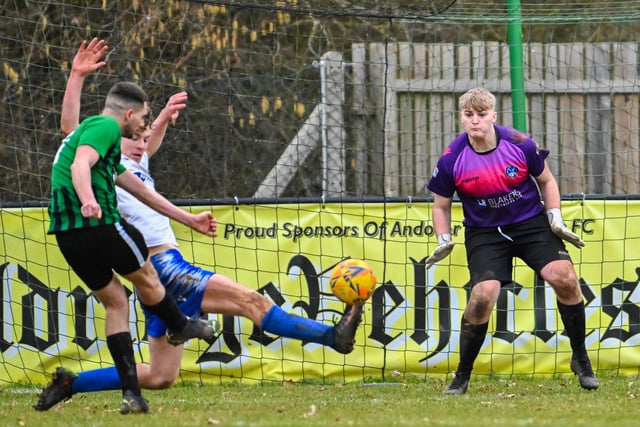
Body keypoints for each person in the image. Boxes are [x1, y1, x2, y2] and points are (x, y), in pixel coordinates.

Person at [35, 38, 364, 411]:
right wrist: (76, 77)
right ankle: (332, 337)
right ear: (117, 136)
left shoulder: (135, 162)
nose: (142, 143)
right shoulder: (106, 160)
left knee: (161, 377)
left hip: (154, 274)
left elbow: (144, 141)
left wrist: (158, 123)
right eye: (137, 137)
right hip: (164, 268)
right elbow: (72, 134)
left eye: (145, 138)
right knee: (251, 302)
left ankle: (72, 382)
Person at [40, 39, 219, 414]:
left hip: (67, 236)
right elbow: (78, 167)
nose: (144, 126)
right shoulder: (106, 126)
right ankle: (180, 324)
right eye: (143, 118)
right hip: (99, 223)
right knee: (149, 276)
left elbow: (141, 191)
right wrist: (89, 198)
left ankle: (132, 395)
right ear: (128, 115)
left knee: (116, 302)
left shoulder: (94, 140)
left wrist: (189, 219)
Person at [425, 87, 598, 395]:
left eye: (481, 115)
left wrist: (555, 218)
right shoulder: (452, 159)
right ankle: (462, 376)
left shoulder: (520, 144)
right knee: (483, 297)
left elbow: (547, 180)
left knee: (565, 278)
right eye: (468, 115)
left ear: (493, 116)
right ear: (461, 118)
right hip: (485, 232)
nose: (475, 121)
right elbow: (441, 205)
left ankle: (581, 358)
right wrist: (444, 237)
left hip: (530, 224)